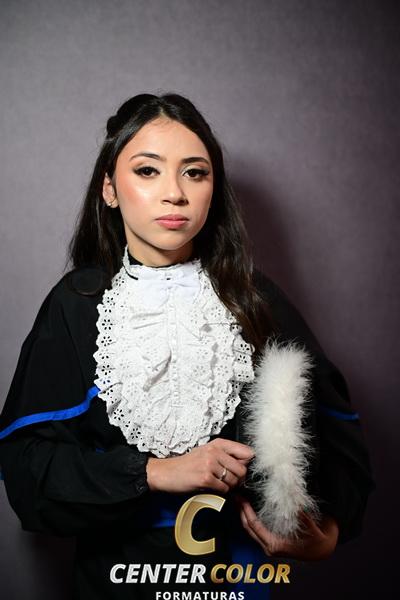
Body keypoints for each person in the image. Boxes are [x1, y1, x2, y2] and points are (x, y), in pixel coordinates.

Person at [0, 93, 374, 599]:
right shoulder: (77, 305)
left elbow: (337, 440)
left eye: (194, 173)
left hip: (236, 579)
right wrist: (154, 472)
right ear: (110, 189)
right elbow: (27, 470)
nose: (174, 193)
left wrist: (325, 536)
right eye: (147, 171)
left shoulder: (255, 299)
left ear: (213, 190)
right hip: (118, 581)